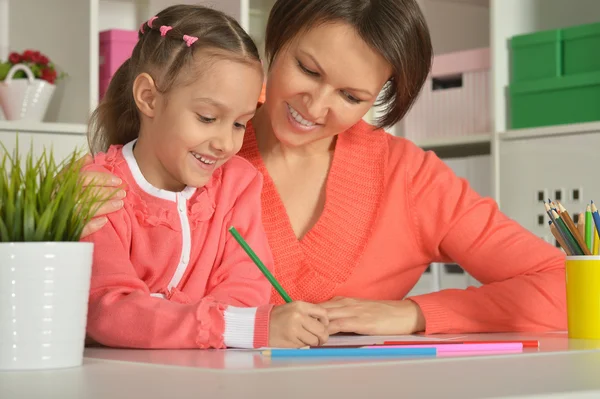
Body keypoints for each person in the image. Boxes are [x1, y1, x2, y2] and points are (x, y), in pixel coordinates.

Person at [81, 0, 567, 339]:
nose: (314, 106)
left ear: (382, 97)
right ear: (278, 38)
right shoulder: (197, 151)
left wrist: (414, 314)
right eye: (308, 70)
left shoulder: (411, 178)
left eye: (351, 97)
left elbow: (571, 288)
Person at [81, 4, 329, 350]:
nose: (226, 143)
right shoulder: (97, 190)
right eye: (208, 117)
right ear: (148, 98)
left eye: (240, 123)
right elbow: (109, 312)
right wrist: (227, 325)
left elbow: (247, 292)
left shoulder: (237, 184)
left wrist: (174, 320)